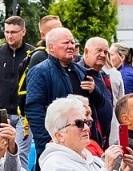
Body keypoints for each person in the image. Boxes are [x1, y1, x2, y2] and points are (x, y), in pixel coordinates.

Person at [23, 28, 87, 163]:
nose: (71, 46)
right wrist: (47, 141)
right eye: (66, 43)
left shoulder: (81, 71)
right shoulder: (40, 71)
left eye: (72, 42)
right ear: (51, 47)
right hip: (55, 144)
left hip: (80, 141)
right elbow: (34, 110)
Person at [0, 16, 31, 118]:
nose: (9, 36)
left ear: (23, 32)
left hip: (24, 113)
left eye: (13, 32)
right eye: (7, 32)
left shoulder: (32, 54)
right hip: (2, 112)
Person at [78, 37, 115, 148]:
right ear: (86, 52)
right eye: (99, 51)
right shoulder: (78, 74)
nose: (103, 55)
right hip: (87, 139)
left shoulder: (104, 76)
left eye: (105, 52)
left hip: (103, 140)